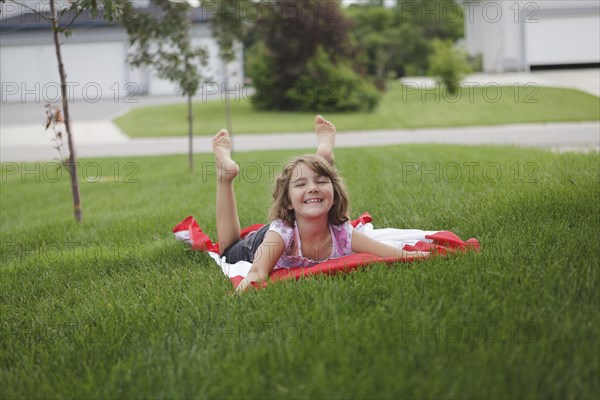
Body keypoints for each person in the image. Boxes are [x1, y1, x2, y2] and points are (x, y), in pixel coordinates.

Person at [212, 115, 428, 292]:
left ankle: (324, 159)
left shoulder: (342, 233)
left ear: (334, 194)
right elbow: (257, 272)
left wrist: (423, 256)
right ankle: (225, 177)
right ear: (288, 202)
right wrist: (239, 295)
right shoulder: (281, 234)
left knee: (315, 183)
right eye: (300, 184)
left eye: (321, 181)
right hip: (256, 243)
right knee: (226, 249)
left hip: (304, 221)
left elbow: (391, 254)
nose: (313, 188)